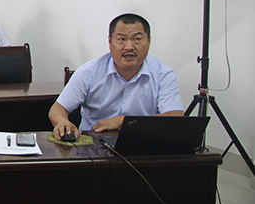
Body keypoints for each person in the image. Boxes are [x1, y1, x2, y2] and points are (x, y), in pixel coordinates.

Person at [49, 13, 184, 139]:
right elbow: (57, 109)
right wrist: (62, 123)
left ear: (148, 41)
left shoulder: (163, 75)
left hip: (143, 142)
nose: (129, 47)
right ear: (110, 41)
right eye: (121, 39)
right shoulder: (89, 72)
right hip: (93, 145)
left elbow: (175, 118)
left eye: (137, 39)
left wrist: (123, 121)